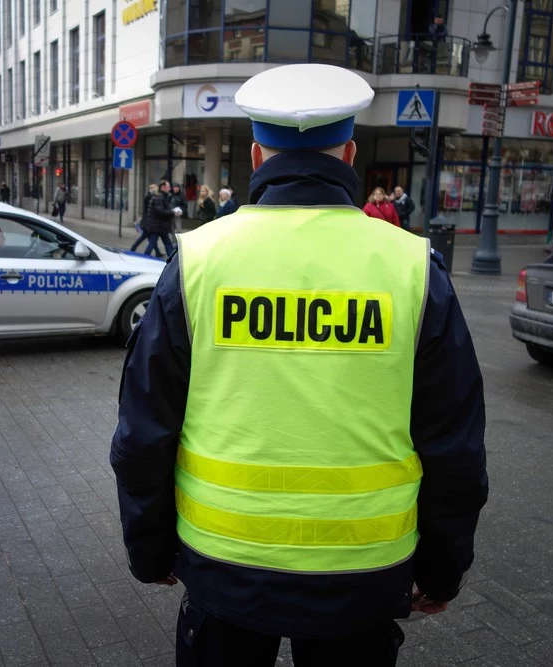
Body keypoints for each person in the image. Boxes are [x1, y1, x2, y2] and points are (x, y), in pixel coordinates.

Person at [110, 63, 488, 666]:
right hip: (362, 573)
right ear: (350, 152)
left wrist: (150, 550)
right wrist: (442, 571)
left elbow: (144, 432)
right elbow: (455, 448)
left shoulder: (200, 261)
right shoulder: (414, 268)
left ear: (257, 156)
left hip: (222, 567)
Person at [133, 179, 177, 257]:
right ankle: (145, 257)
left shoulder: (162, 196)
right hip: (157, 226)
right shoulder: (159, 197)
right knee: (159, 243)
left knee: (166, 244)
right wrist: (173, 212)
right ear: (163, 187)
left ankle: (171, 259)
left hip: (160, 226)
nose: (170, 188)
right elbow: (160, 211)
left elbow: (162, 210)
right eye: (168, 186)